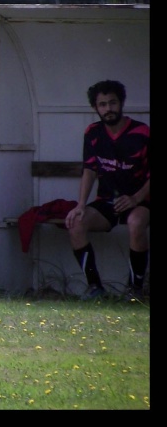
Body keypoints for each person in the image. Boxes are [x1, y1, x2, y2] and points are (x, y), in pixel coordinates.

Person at [64, 80, 150, 300]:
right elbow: (90, 169)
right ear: (95, 108)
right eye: (102, 104)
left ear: (121, 103)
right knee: (75, 222)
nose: (108, 109)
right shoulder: (93, 132)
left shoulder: (142, 132)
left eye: (112, 103)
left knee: (136, 222)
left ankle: (135, 290)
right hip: (107, 201)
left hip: (140, 200)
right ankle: (95, 288)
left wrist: (136, 198)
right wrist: (81, 204)